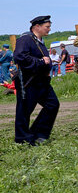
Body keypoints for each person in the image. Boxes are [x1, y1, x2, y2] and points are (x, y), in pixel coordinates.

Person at [13, 16, 60, 145]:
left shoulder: (39, 41)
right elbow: (19, 56)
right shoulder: (25, 39)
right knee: (24, 110)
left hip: (42, 81)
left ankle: (39, 133)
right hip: (29, 81)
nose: (49, 29)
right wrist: (39, 62)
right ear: (37, 27)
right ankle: (22, 139)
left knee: (53, 104)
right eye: (47, 27)